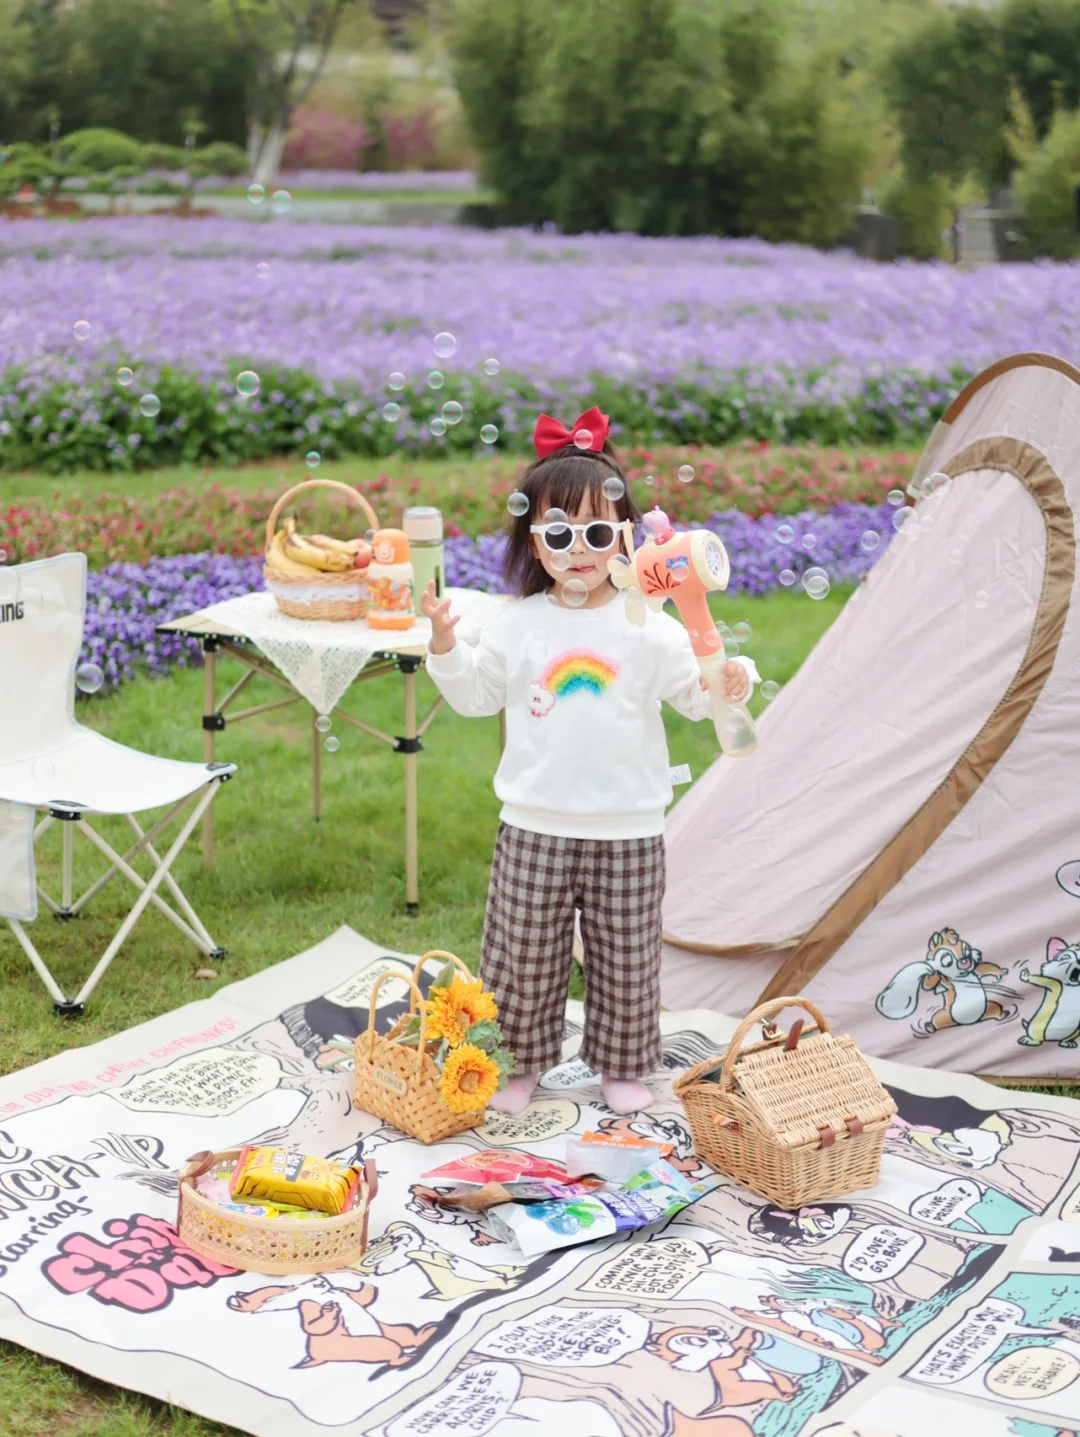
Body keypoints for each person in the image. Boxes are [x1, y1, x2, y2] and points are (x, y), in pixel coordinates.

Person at [421, 407, 756, 1115]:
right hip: (533, 823)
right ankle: (516, 1063)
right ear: (534, 543)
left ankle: (622, 1063)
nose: (579, 550)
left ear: (626, 539)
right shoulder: (517, 624)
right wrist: (446, 648)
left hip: (628, 826)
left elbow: (696, 696)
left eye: (598, 534)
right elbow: (476, 697)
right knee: (520, 954)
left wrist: (729, 680)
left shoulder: (649, 626)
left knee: (626, 955)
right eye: (559, 533)